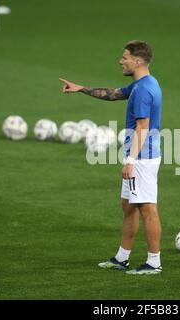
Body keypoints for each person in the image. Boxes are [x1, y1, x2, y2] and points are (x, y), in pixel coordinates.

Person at [59, 40, 163, 275]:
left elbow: (142, 127)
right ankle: (122, 258)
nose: (120, 61)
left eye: (124, 57)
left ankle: (154, 262)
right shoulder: (141, 85)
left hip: (142, 158)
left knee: (147, 208)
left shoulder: (145, 89)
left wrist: (130, 161)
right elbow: (114, 94)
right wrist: (81, 88)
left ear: (137, 61)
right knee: (128, 206)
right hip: (138, 155)